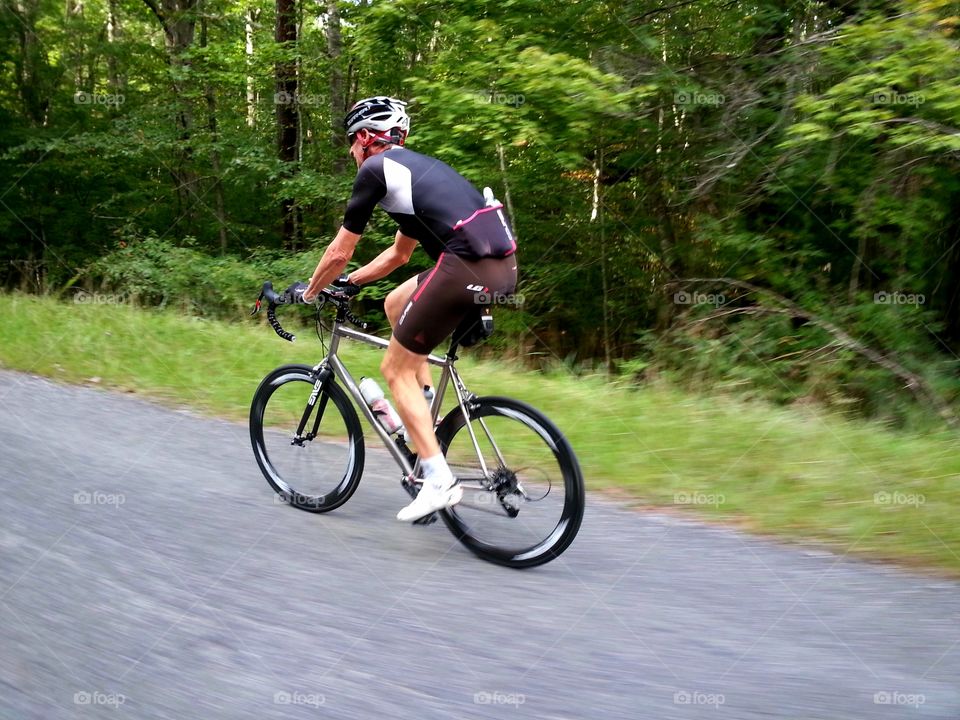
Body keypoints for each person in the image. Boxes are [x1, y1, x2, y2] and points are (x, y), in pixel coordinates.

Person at [300, 96, 518, 521]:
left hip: (462, 268)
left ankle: (438, 481)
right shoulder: (417, 171)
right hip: (502, 270)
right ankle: (427, 410)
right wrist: (350, 284)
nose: (350, 151)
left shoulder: (374, 170)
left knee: (393, 369)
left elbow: (339, 251)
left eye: (351, 141)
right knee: (396, 302)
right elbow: (399, 255)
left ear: (365, 138)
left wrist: (310, 292)